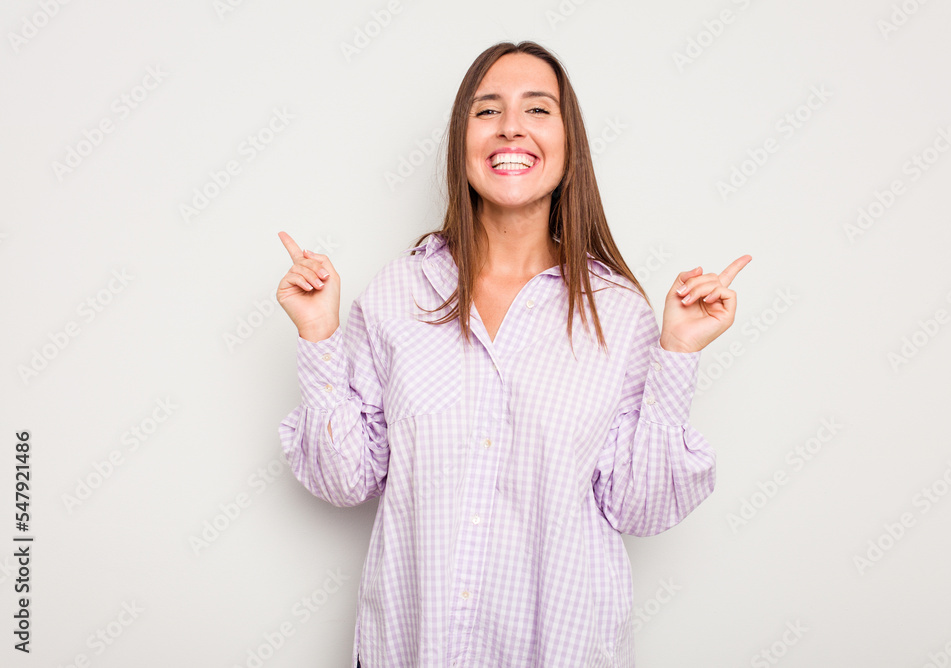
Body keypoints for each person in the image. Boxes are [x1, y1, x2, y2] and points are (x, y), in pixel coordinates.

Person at [276, 40, 750, 668]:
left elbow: (642, 507)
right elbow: (345, 480)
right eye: (486, 110)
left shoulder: (619, 313)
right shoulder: (398, 295)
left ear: (569, 146)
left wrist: (679, 351)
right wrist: (319, 334)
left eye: (537, 110)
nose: (510, 128)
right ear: (461, 143)